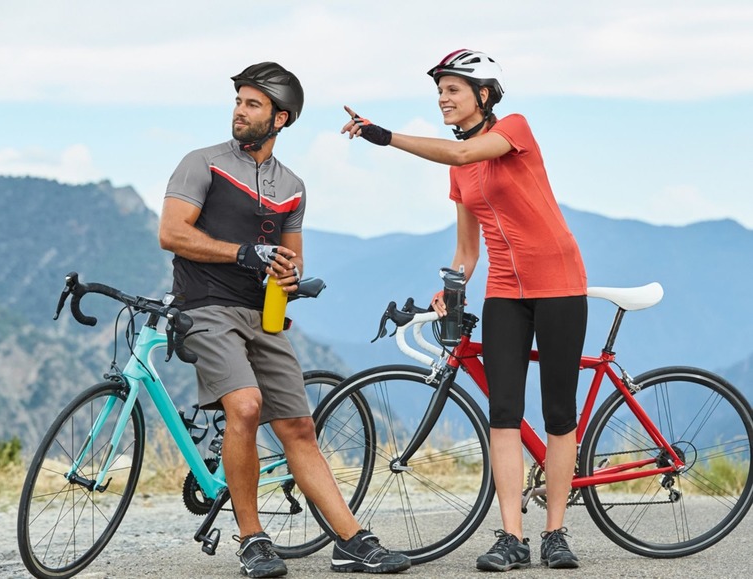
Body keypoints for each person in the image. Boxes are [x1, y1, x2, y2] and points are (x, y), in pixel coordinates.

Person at [159, 61, 411, 578]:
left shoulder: (292, 185)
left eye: (252, 104)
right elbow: (172, 233)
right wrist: (241, 254)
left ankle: (351, 540)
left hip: (263, 314)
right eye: (238, 101)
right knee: (247, 407)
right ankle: (252, 539)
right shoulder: (201, 163)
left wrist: (294, 279)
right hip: (204, 307)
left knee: (298, 425)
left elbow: (292, 260)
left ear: (281, 118)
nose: (239, 111)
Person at [341, 49, 588, 572]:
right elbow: (467, 252)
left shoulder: (513, 129)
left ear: (483, 94)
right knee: (503, 413)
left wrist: (382, 136)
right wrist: (450, 291)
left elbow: (461, 155)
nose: (443, 100)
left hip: (560, 282)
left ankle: (557, 533)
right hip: (504, 290)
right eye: (439, 92)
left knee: (559, 414)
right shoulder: (461, 177)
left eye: (453, 90)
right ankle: (512, 538)